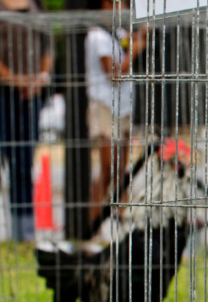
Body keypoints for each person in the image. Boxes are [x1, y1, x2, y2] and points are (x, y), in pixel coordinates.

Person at [0, 0, 54, 242]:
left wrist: (38, 79)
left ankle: (23, 231)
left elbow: (47, 46)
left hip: (31, 94)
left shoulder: (36, 3)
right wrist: (14, 79)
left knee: (24, 162)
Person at [86, 0, 146, 226]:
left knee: (122, 171)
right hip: (104, 106)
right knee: (107, 170)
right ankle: (91, 227)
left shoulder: (119, 32)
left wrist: (140, 36)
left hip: (123, 108)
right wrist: (135, 50)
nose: (124, 8)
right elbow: (114, 73)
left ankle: (123, 222)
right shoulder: (97, 35)